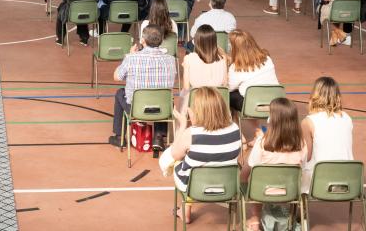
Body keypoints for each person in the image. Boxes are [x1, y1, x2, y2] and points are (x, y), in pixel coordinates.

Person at [169, 87, 241, 224]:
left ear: (198, 111)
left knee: (177, 161)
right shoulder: (235, 128)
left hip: (195, 187)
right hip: (227, 185)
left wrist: (183, 124)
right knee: (203, 160)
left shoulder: (191, 133)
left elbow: (175, 154)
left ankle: (185, 211)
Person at [241, 97, 306, 231]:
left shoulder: (262, 143)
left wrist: (261, 138)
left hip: (263, 192)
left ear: (273, 119)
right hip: (291, 192)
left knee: (250, 177)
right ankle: (292, 213)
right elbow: (303, 167)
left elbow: (246, 172)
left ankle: (255, 218)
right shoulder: (302, 144)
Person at [109, 25, 176, 150]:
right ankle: (159, 136)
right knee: (163, 97)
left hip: (136, 109)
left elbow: (116, 77)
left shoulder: (131, 58)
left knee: (119, 93)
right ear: (161, 40)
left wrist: (129, 55)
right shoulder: (171, 60)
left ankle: (119, 137)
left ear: (142, 40)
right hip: (163, 110)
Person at [300, 76, 353, 192]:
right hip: (349, 181)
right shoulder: (347, 118)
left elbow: (306, 156)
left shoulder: (308, 122)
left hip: (320, 182)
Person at [227, 30, 278, 115]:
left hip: (252, 105)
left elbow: (229, 87)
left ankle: (250, 126)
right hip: (274, 100)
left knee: (227, 94)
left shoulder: (236, 67)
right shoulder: (267, 58)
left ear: (234, 48)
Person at [182, 25, 227, 92]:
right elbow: (224, 85)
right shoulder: (222, 59)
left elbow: (186, 88)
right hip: (216, 100)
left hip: (197, 100)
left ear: (196, 41)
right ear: (214, 41)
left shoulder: (188, 58)